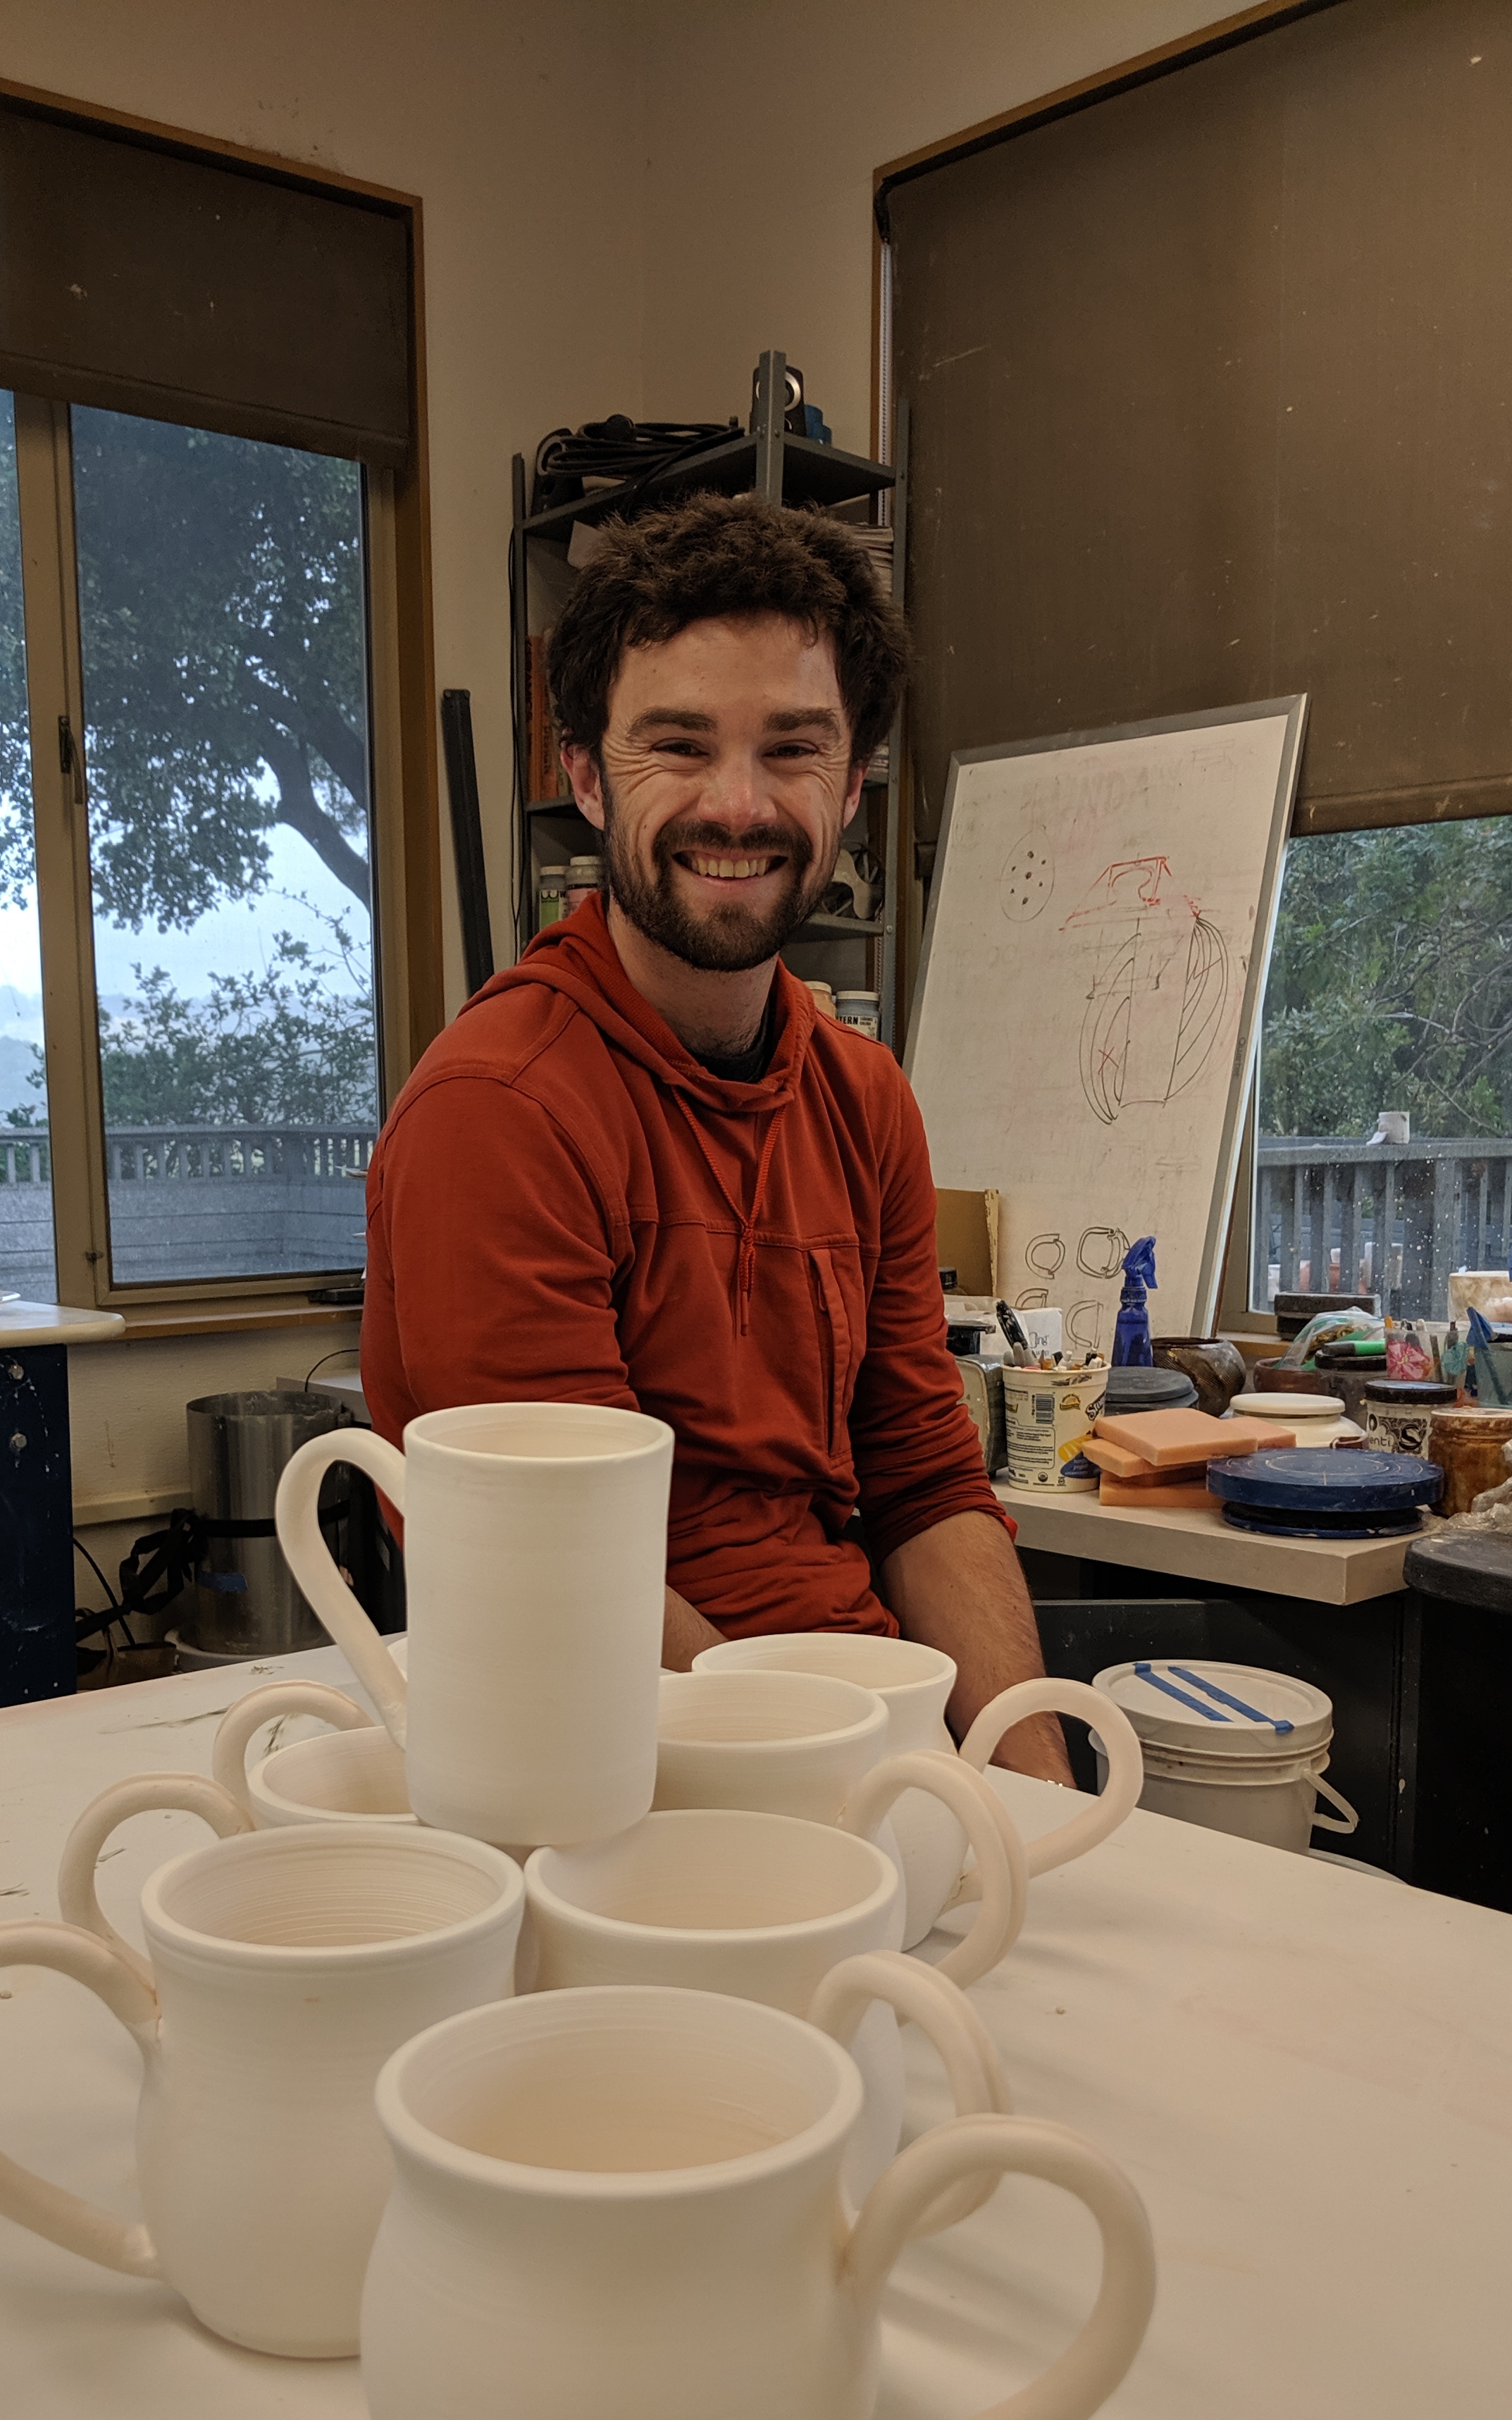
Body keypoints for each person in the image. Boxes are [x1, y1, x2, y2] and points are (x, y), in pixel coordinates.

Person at [363, 493, 1067, 1777]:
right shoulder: (502, 1111)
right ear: (583, 775)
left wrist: (1033, 1801)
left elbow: (922, 1484)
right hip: (627, 1769)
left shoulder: (864, 1102)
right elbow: (559, 1574)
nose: (738, 807)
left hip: (859, 1733)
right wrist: (840, 1776)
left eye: (792, 749)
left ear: (852, 786)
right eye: (677, 746)